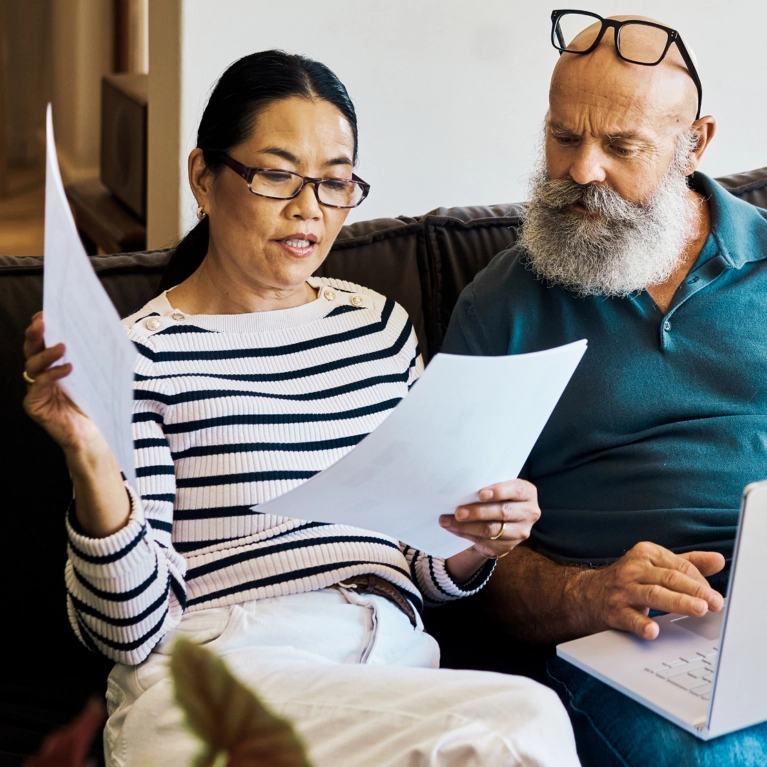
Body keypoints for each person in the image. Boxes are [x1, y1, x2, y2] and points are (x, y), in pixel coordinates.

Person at [22, 51, 579, 767]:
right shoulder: (141, 354)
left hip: (389, 663)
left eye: (335, 181)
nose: (309, 207)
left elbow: (425, 566)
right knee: (523, 718)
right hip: (223, 670)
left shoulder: (379, 328)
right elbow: (128, 629)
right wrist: (91, 461)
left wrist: (478, 535)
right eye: (278, 174)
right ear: (204, 176)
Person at [441, 11, 767, 766]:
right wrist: (590, 594)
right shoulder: (500, 307)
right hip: (626, 645)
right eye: (562, 136)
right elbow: (461, 558)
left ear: (696, 144)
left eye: (621, 146)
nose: (582, 170)